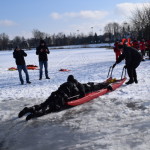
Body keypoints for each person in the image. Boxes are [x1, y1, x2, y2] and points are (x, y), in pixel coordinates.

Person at [18, 75, 111, 121]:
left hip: (55, 94)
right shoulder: (79, 85)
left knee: (44, 104)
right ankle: (34, 114)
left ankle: (29, 109)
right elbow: (83, 95)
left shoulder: (66, 84)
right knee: (50, 108)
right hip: (62, 96)